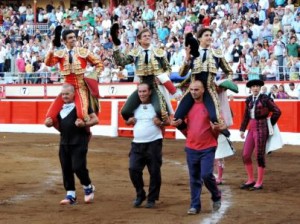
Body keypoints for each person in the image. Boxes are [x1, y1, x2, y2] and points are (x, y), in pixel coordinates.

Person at [171, 80, 223, 215]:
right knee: (194, 178)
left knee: (206, 175)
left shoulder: (211, 106)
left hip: (208, 147)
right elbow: (184, 128)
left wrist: (217, 130)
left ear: (203, 90)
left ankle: (216, 195)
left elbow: (218, 127)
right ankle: (195, 205)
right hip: (191, 147)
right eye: (192, 90)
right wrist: (179, 126)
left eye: (196, 90)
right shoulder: (187, 107)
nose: (193, 92)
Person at [111, 25, 179, 123]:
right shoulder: (135, 53)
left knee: (161, 111)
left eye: (149, 36)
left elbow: (168, 68)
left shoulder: (158, 52)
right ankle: (138, 122)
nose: (148, 37)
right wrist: (116, 45)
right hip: (142, 85)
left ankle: (161, 124)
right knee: (125, 111)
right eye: (145, 36)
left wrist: (164, 77)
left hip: (156, 85)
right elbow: (120, 62)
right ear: (139, 40)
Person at [44, 83, 99, 205]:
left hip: (79, 140)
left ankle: (87, 186)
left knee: (78, 167)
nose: (64, 96)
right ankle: (71, 195)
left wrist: (84, 124)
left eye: (67, 94)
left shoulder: (83, 106)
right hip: (64, 142)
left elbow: (96, 119)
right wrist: (49, 124)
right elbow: (59, 126)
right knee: (66, 168)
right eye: (63, 94)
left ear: (74, 94)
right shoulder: (59, 108)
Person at [174, 29, 234, 137]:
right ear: (199, 38)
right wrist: (187, 59)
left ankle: (215, 137)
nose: (209, 37)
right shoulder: (192, 53)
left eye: (210, 35)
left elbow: (229, 72)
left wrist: (225, 84)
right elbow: (182, 74)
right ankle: (190, 135)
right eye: (206, 35)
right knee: (176, 118)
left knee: (215, 119)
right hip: (192, 91)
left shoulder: (217, 54)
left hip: (210, 89)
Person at [45, 28, 103, 127]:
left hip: (81, 88)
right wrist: (52, 48)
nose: (73, 39)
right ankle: (64, 131)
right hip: (66, 89)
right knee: (49, 119)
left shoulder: (83, 52)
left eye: (74, 37)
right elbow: (48, 63)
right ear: (64, 41)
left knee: (82, 116)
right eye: (70, 38)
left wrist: (91, 77)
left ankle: (86, 132)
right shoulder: (60, 54)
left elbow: (99, 64)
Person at [125, 83, 170, 208]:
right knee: (133, 169)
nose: (142, 94)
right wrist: (128, 121)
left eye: (144, 91)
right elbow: (127, 119)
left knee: (154, 172)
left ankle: (152, 198)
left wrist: (160, 122)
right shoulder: (134, 106)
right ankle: (140, 194)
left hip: (154, 143)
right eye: (140, 92)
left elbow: (168, 121)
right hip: (137, 143)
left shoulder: (157, 106)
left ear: (150, 92)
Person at [240, 79, 281, 191]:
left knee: (259, 155)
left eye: (257, 86)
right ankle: (251, 179)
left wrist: (270, 124)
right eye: (253, 86)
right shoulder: (248, 100)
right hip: (251, 129)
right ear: (250, 88)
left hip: (262, 127)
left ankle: (259, 182)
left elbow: (277, 111)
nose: (255, 88)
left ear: (260, 87)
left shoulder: (265, 99)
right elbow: (246, 116)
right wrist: (242, 129)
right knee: (245, 155)